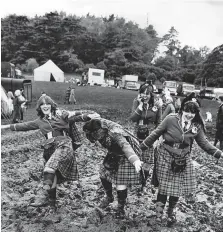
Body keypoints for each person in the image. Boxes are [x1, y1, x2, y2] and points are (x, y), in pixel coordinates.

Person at [1, 95, 99, 207]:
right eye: (42, 104)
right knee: (52, 175)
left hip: (64, 145)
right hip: (49, 148)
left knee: (49, 169)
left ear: (51, 105)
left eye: (47, 104)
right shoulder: (39, 121)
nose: (45, 106)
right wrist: (4, 127)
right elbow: (23, 125)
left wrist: (89, 116)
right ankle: (52, 204)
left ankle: (46, 187)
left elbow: (77, 117)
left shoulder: (62, 115)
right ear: (39, 107)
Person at [140, 100, 223, 227]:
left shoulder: (197, 125)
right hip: (165, 156)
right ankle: (158, 214)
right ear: (182, 110)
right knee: (164, 188)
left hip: (182, 159)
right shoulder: (171, 119)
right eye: (187, 111)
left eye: (193, 112)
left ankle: (171, 213)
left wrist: (219, 153)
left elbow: (204, 143)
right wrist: (142, 146)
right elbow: (156, 133)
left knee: (176, 189)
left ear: (196, 113)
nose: (189, 114)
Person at [83, 118, 143, 219]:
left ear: (99, 131)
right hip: (113, 152)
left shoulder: (114, 133)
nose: (95, 137)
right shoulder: (96, 125)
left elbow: (125, 145)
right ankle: (109, 197)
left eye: (95, 134)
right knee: (103, 174)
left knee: (120, 182)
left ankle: (120, 208)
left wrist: (135, 160)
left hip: (126, 155)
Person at [130, 85, 162, 185]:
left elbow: (159, 122)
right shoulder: (136, 101)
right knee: (138, 158)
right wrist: (140, 106)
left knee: (147, 161)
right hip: (137, 135)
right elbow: (133, 118)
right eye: (142, 93)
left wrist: (157, 138)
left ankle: (143, 181)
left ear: (151, 94)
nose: (144, 95)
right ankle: (138, 179)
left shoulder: (156, 104)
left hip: (150, 137)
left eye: (147, 93)